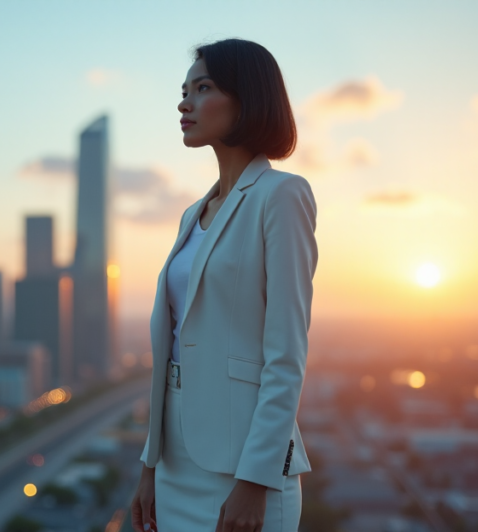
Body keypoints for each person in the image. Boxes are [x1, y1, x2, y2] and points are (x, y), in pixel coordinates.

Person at [130, 38, 318, 532]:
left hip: (242, 467)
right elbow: (171, 350)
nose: (184, 102)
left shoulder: (281, 196)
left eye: (203, 87)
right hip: (174, 462)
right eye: (184, 90)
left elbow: (286, 356)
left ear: (247, 98)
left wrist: (256, 481)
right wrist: (150, 465)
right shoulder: (192, 215)